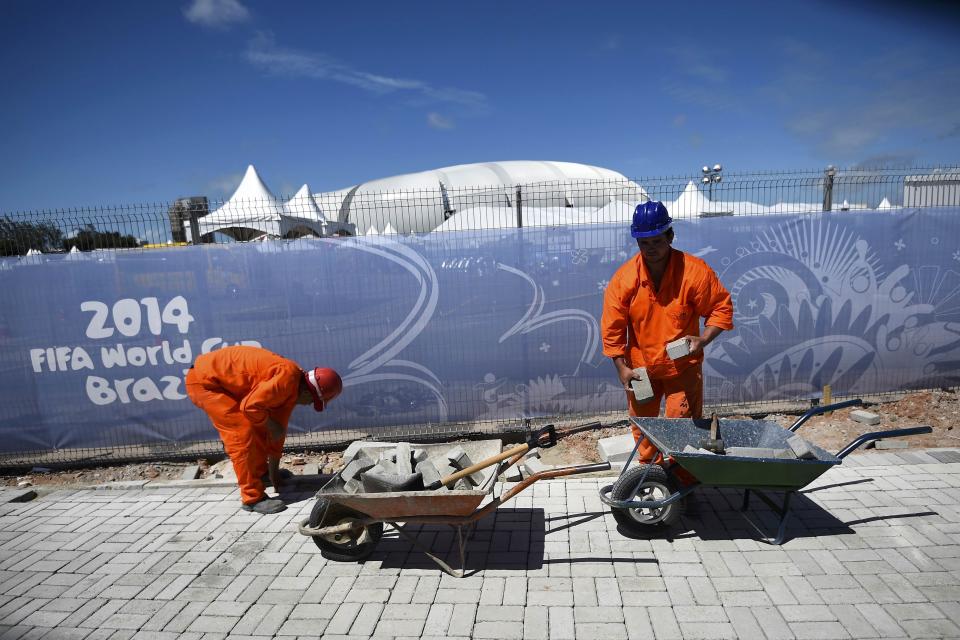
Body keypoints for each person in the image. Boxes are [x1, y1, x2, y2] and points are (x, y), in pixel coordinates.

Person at [601, 201, 733, 466]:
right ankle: (650, 476)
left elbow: (720, 307)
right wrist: (621, 367)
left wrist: (704, 339)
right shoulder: (625, 279)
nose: (650, 249)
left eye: (656, 241)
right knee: (643, 427)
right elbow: (612, 326)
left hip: (682, 369)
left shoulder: (694, 272)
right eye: (644, 243)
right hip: (641, 370)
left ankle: (681, 483)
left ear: (670, 236)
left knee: (683, 428)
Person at [185, 345, 343, 514]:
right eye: (312, 402)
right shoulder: (286, 380)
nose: (308, 405)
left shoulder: (291, 388)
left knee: (261, 425)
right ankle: (252, 498)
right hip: (205, 382)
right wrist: (271, 425)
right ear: (307, 392)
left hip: (218, 380)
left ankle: (261, 474)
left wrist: (273, 473)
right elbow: (249, 408)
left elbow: (277, 432)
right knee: (242, 433)